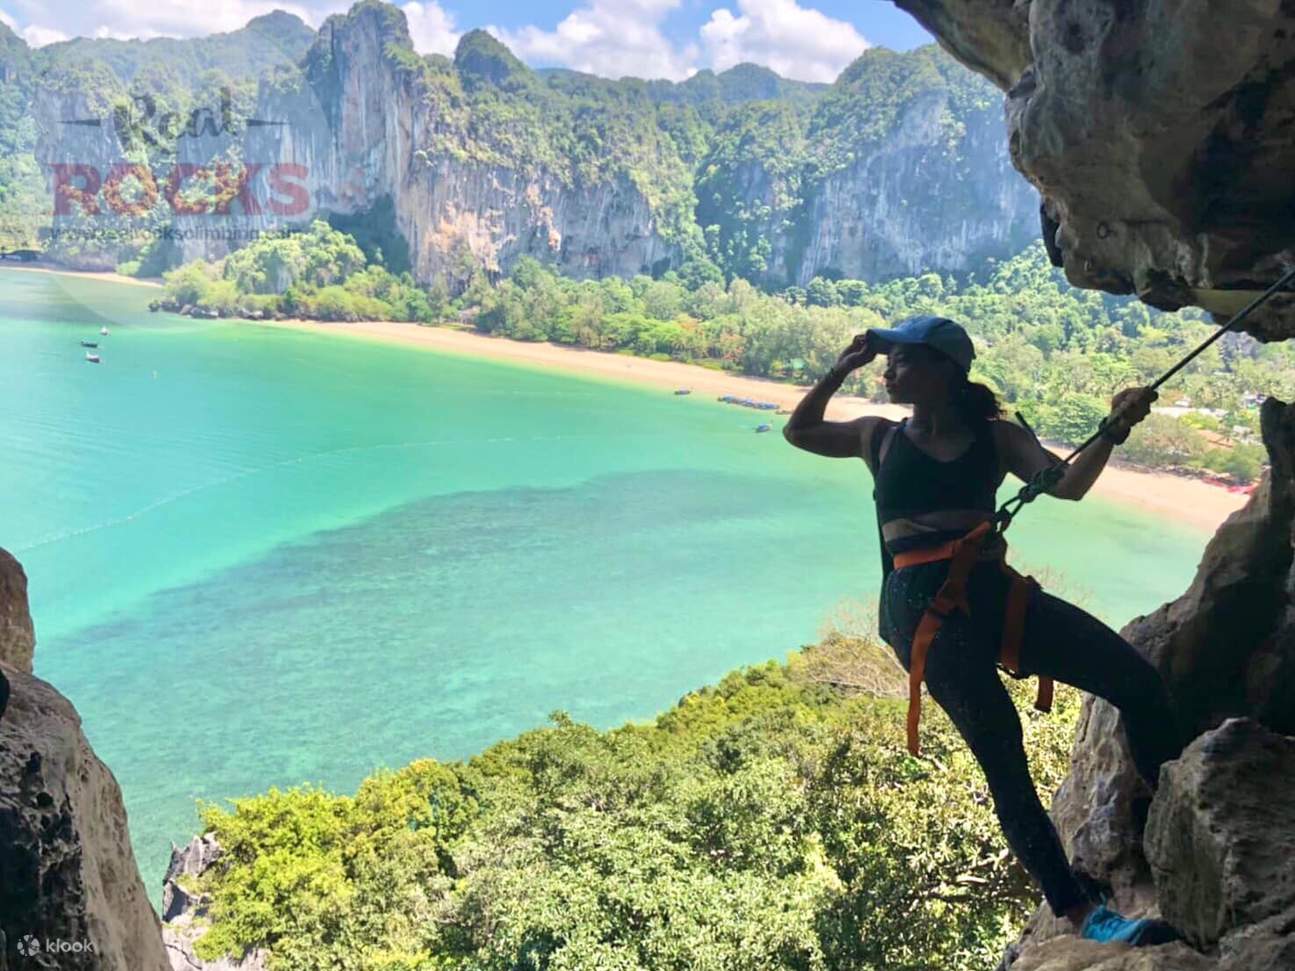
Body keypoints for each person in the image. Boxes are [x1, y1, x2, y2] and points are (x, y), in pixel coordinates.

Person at [783, 314, 1185, 946]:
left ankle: (1178, 823)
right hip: (922, 612)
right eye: (889, 362)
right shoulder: (878, 437)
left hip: (992, 593)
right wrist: (841, 368)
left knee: (1135, 681)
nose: (889, 370)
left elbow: (1069, 484)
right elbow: (799, 431)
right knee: (1002, 749)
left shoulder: (995, 439)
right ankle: (1081, 912)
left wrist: (1116, 429)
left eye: (903, 359)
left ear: (946, 369)